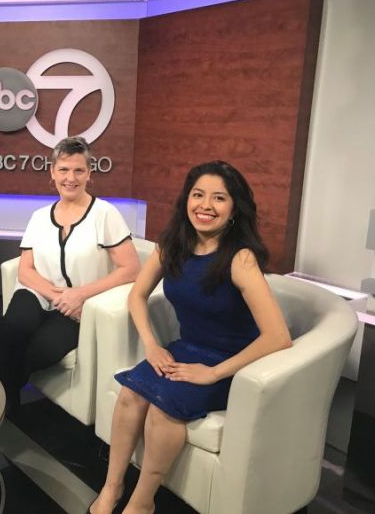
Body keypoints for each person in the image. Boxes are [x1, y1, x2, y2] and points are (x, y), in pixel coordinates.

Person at [89, 160, 292, 514]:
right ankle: (112, 487)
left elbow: (278, 336)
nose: (205, 205)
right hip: (185, 349)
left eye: (218, 198)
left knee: (163, 411)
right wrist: (152, 346)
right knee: (129, 395)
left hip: (230, 364)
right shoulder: (172, 246)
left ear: (233, 209)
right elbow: (136, 295)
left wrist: (213, 373)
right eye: (198, 195)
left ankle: (142, 502)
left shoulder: (240, 258)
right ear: (186, 200)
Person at [0, 136, 141, 414]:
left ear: (89, 174)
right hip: (40, 292)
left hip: (80, 305)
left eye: (78, 170)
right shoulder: (39, 216)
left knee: (43, 350)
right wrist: (58, 295)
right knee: (11, 328)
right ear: (52, 172)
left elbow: (131, 269)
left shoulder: (105, 214)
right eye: (63, 170)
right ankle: (5, 404)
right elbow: (25, 270)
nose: (70, 178)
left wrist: (80, 295)